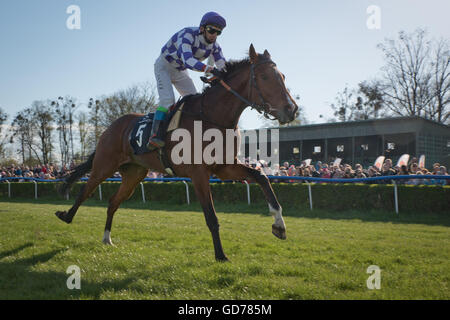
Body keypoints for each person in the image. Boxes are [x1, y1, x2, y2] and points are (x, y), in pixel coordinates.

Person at [147, 12, 227, 150]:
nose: (214, 35)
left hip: (180, 71)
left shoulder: (215, 47)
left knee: (194, 100)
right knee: (167, 100)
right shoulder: (187, 34)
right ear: (202, 28)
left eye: (218, 32)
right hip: (164, 66)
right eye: (211, 30)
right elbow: (188, 61)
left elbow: (224, 67)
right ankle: (155, 135)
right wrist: (211, 69)